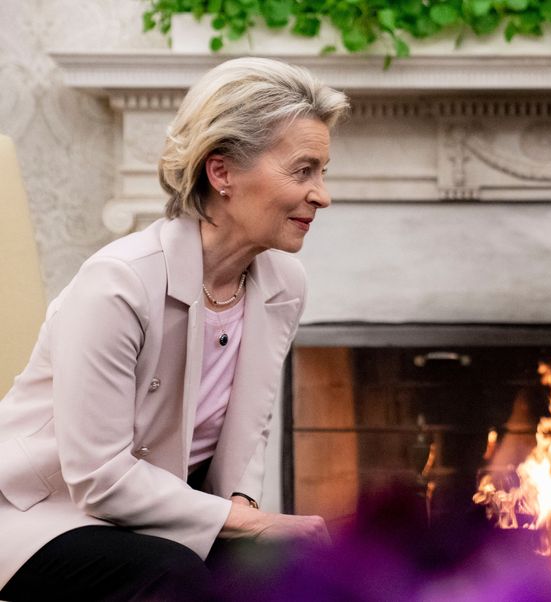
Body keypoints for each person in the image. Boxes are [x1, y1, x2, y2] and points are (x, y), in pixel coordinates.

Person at [0, 57, 349, 599]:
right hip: (43, 515)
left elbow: (245, 437)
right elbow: (100, 479)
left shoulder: (284, 282)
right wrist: (251, 526)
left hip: (157, 516)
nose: (322, 194)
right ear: (222, 172)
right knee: (172, 573)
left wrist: (247, 515)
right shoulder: (118, 283)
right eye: (303, 171)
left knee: (298, 570)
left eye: (322, 172)